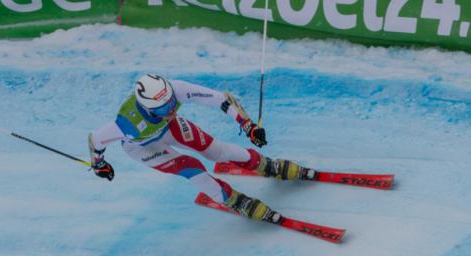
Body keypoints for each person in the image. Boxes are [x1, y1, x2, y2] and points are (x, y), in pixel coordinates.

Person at [87, 74, 315, 223]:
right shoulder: (126, 123)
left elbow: (220, 99)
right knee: (190, 166)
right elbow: (95, 140)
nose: (171, 108)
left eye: (171, 102)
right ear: (148, 108)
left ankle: (266, 165)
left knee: (215, 151)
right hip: (142, 147)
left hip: (168, 128)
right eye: (164, 107)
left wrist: (247, 125)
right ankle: (233, 200)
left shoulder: (175, 89)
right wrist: (99, 165)